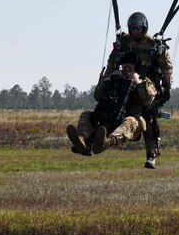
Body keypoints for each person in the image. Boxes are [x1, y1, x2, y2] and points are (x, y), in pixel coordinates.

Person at [104, 11, 173, 168]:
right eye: (132, 28)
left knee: (149, 117)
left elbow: (167, 68)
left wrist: (166, 88)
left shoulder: (154, 45)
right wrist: (106, 80)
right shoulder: (123, 42)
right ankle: (91, 140)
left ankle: (151, 154)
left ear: (144, 28)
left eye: (138, 28)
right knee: (107, 108)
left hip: (147, 88)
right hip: (123, 84)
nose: (135, 31)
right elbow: (111, 63)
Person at [66, 55, 154, 158]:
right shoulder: (114, 79)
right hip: (106, 118)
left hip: (129, 123)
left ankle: (107, 142)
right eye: (124, 67)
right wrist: (107, 79)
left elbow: (148, 101)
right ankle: (82, 139)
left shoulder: (144, 82)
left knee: (133, 120)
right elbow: (97, 96)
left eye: (130, 68)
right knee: (86, 114)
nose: (126, 71)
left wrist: (137, 81)